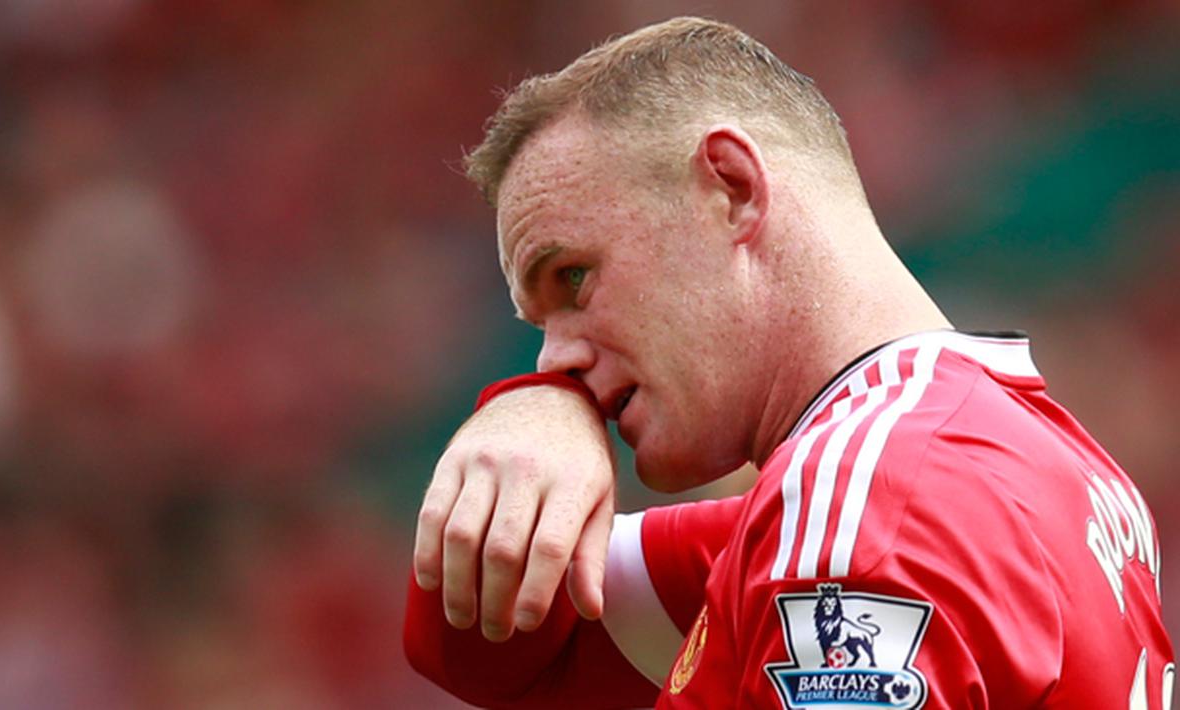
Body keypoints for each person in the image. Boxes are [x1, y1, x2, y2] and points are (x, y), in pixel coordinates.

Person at [403, 16, 1175, 709]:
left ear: (732, 188)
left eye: (572, 277)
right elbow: (485, 642)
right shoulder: (1038, 462)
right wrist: (535, 409)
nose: (555, 357)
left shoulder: (865, 499)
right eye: (537, 324)